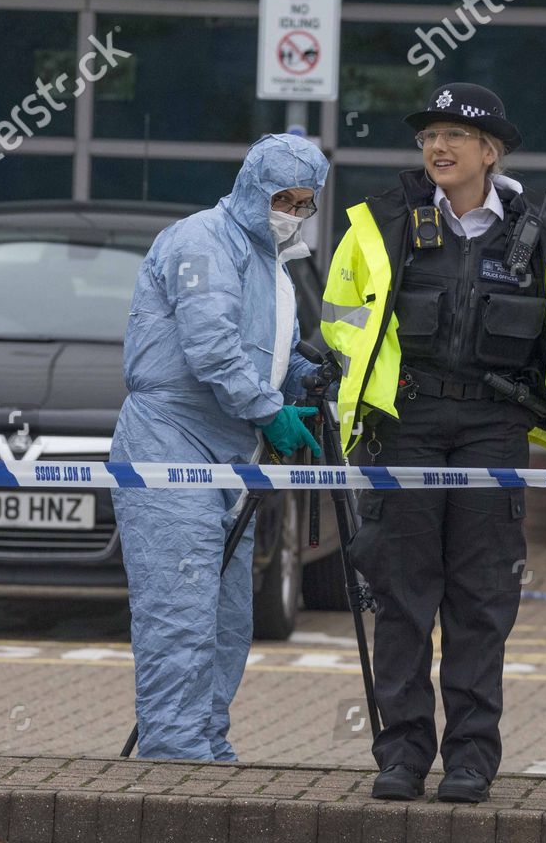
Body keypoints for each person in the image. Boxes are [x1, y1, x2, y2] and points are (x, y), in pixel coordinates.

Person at [320, 83, 546, 803]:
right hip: (406, 424)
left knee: (481, 601)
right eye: (429, 136)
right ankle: (403, 757)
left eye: (454, 135)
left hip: (493, 426)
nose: (438, 148)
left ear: (491, 151)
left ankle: (473, 759)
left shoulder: (544, 236)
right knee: (403, 595)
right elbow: (339, 321)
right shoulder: (376, 223)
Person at [111, 133, 329, 760]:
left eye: (303, 201)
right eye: (282, 197)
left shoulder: (271, 263)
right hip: (170, 444)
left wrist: (300, 381)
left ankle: (204, 742)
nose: (291, 210)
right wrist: (272, 412)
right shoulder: (204, 241)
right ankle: (174, 755)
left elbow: (261, 352)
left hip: (230, 454)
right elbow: (210, 346)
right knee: (178, 614)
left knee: (227, 618)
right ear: (253, 188)